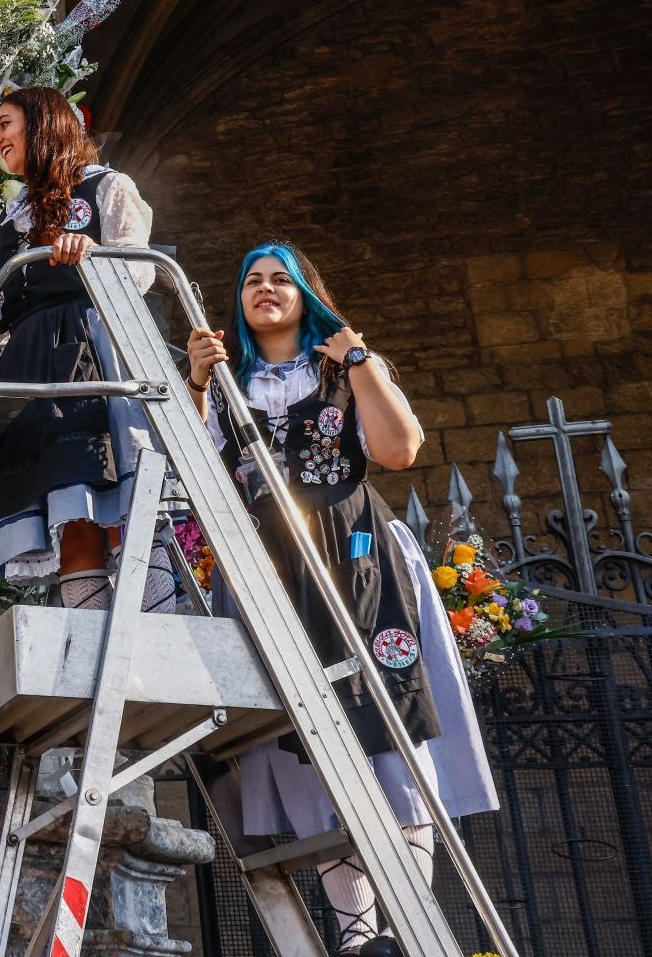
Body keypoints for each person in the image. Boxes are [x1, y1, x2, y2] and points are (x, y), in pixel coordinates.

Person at [186, 241, 497, 957]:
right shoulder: (227, 385)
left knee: (389, 732)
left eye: (280, 279)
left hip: (358, 557)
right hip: (270, 570)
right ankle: (359, 940)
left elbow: (398, 451)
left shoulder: (344, 368)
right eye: (252, 281)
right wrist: (198, 386)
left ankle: (406, 925)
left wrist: (358, 360)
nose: (265, 289)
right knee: (309, 754)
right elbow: (196, 484)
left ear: (305, 294)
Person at [0, 85, 175, 611]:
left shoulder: (107, 186)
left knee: (120, 506)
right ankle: (90, 665)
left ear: (42, 123)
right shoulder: (12, 217)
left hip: (94, 351)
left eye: (6, 124)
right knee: (71, 516)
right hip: (32, 369)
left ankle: (158, 638)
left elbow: (141, 272)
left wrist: (93, 254)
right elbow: (1, 325)